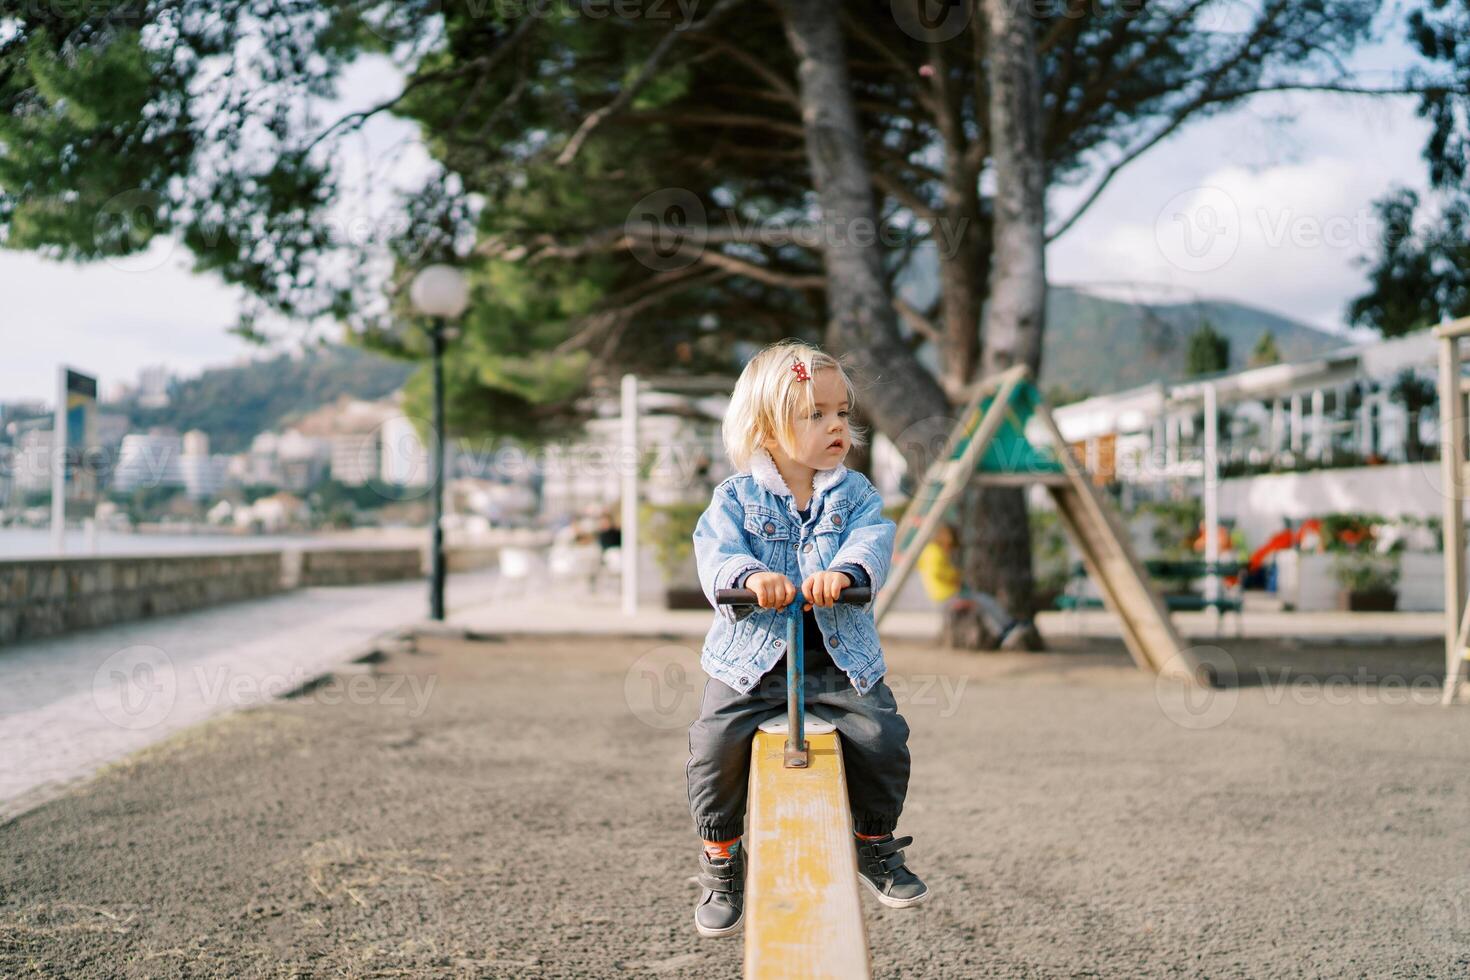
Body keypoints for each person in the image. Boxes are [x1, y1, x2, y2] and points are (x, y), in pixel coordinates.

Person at [686, 340, 928, 939]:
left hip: (836, 659)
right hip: (753, 662)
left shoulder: (855, 495)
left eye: (842, 412)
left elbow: (872, 540)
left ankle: (874, 843)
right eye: (815, 414)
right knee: (715, 742)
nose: (837, 426)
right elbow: (715, 551)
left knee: (881, 734)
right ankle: (722, 857)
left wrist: (844, 574)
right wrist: (749, 577)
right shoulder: (736, 498)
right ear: (767, 428)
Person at [917, 522, 1030, 649]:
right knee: (983, 602)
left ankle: (1005, 628)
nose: (950, 550)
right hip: (946, 596)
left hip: (945, 594)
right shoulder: (934, 552)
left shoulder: (931, 552)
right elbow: (937, 572)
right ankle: (1005, 629)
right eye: (951, 546)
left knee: (983, 601)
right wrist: (956, 576)